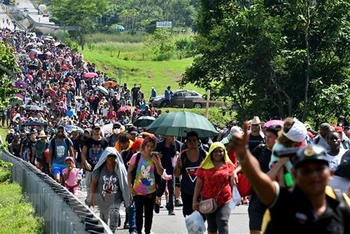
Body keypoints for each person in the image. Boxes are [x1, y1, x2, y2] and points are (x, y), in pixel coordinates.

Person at [231, 122, 350, 234]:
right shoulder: (283, 201)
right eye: (306, 171)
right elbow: (260, 182)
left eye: (319, 169)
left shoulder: (341, 203)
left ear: (330, 174)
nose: (313, 175)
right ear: (294, 173)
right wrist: (244, 155)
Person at [192, 142, 235, 234]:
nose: (218, 154)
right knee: (212, 226)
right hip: (207, 200)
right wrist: (195, 200)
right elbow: (198, 184)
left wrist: (237, 196)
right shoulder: (204, 165)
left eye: (220, 151)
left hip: (225, 199)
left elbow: (234, 181)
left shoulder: (228, 165)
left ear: (224, 152)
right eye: (215, 151)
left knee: (223, 221)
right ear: (211, 152)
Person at [127, 137, 164, 234]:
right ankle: (139, 231)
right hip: (138, 190)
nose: (149, 148)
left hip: (151, 190)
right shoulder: (136, 157)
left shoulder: (155, 158)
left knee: (149, 214)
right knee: (138, 214)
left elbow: (160, 172)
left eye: (152, 146)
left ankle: (147, 231)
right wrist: (129, 187)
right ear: (144, 146)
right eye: (148, 146)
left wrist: (156, 162)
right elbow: (129, 172)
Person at [89, 147, 130, 233]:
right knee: (103, 217)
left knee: (113, 211)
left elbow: (125, 183)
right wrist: (91, 198)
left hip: (116, 197)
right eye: (109, 156)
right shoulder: (99, 169)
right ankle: (104, 231)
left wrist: (127, 198)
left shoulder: (120, 168)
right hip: (103, 197)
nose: (111, 158)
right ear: (105, 157)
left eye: (113, 156)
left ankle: (112, 231)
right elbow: (94, 183)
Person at [174, 131, 206, 217]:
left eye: (194, 140)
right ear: (186, 142)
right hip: (186, 191)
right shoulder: (182, 156)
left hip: (201, 191)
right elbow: (177, 174)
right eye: (190, 141)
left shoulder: (203, 155)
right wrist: (178, 166)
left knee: (202, 216)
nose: (192, 143)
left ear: (198, 142)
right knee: (189, 216)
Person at [81, 124, 109, 204]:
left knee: (101, 185)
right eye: (95, 129)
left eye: (98, 129)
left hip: (101, 167)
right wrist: (86, 163)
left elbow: (108, 153)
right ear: (92, 130)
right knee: (89, 184)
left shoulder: (105, 141)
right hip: (90, 167)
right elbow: (83, 153)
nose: (97, 130)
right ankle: (89, 200)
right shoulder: (88, 141)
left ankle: (98, 200)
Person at [155, 135, 182, 215]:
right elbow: (153, 155)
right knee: (161, 188)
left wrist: (177, 155)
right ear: (166, 136)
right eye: (171, 136)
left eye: (174, 136)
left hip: (171, 169)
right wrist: (158, 156)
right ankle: (156, 201)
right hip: (161, 169)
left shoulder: (176, 145)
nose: (173, 138)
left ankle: (171, 208)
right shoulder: (159, 145)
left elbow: (178, 155)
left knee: (171, 189)